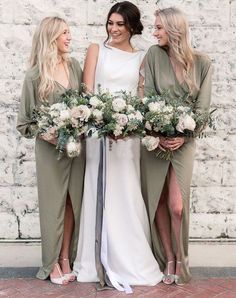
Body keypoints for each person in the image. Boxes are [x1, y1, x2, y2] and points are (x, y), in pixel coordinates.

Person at [73, 1, 163, 293]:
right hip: (98, 133)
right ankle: (92, 260)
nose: (113, 29)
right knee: (98, 191)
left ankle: (131, 259)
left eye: (120, 24)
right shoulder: (95, 50)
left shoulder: (142, 57)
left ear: (132, 26)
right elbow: (86, 93)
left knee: (125, 191)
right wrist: (102, 123)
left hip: (127, 138)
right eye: (110, 23)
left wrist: (127, 127)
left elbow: (140, 97)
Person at [141, 7, 213, 285]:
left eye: (158, 27)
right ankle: (168, 257)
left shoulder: (203, 63)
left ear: (173, 30)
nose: (154, 32)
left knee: (177, 206)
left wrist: (185, 135)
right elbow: (147, 99)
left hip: (185, 142)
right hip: (156, 139)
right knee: (158, 198)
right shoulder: (153, 55)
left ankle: (182, 259)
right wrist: (157, 133)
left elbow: (203, 109)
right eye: (154, 27)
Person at [16, 16, 85, 285]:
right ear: (50, 38)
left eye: (69, 32)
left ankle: (66, 257)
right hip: (50, 152)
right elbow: (24, 124)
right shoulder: (34, 76)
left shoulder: (75, 66)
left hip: (76, 149)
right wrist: (48, 135)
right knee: (52, 206)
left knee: (72, 203)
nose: (69, 38)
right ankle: (51, 264)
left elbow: (85, 104)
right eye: (64, 33)